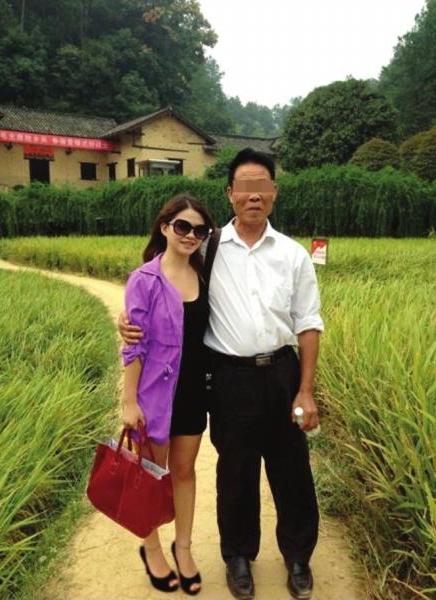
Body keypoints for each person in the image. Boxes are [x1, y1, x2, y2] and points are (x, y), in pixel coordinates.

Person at [120, 148, 324, 600]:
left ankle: (297, 557)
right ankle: (238, 557)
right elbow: (162, 284)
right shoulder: (207, 247)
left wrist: (306, 390)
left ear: (274, 192)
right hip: (229, 377)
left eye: (262, 187)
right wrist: (129, 320)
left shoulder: (293, 255)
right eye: (244, 187)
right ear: (231, 193)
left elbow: (309, 323)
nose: (254, 196)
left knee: (292, 469)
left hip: (282, 373)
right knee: (235, 471)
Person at [121, 194, 214, 595]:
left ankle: (184, 547)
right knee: (150, 475)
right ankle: (152, 548)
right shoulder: (145, 280)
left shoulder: (204, 275)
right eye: (182, 226)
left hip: (193, 392)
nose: (191, 235)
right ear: (165, 228)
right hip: (153, 394)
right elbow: (134, 345)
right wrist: (129, 401)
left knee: (183, 470)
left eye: (199, 229)